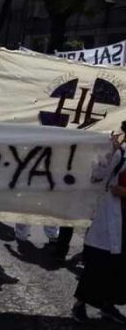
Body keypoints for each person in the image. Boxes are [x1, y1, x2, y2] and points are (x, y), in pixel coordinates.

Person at [72, 131, 126, 324]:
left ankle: (108, 304)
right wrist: (109, 152)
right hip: (111, 217)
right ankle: (79, 304)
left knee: (119, 266)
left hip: (122, 220)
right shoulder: (119, 154)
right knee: (99, 263)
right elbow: (98, 177)